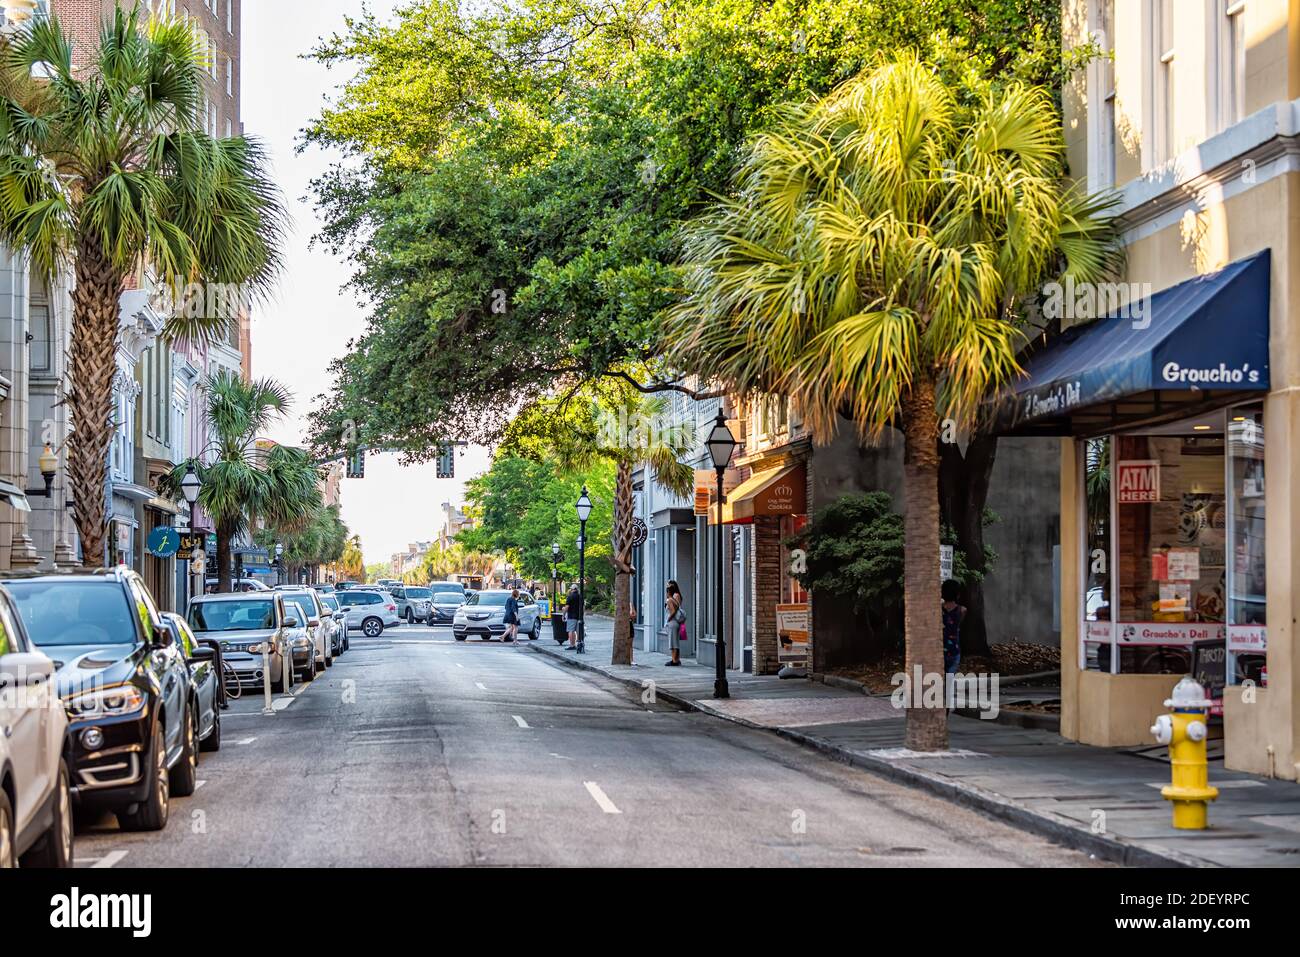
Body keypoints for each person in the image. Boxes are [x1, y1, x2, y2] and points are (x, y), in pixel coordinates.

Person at [941, 579, 966, 675]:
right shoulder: (962, 610)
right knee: (950, 682)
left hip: (940, 650)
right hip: (954, 650)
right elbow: (958, 625)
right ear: (957, 594)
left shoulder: (938, 609)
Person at [664, 581, 685, 666]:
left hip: (673, 621)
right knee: (675, 641)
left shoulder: (673, 597)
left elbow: (674, 610)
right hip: (675, 621)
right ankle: (676, 659)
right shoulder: (674, 597)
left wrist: (669, 618)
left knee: (673, 643)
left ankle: (674, 660)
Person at [565, 584, 583, 651]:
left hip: (571, 616)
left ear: (572, 589)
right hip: (579, 616)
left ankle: (572, 645)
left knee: (571, 631)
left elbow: (567, 607)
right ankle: (577, 644)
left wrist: (563, 615)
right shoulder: (580, 597)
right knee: (577, 631)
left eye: (571, 589)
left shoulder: (570, 597)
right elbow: (583, 607)